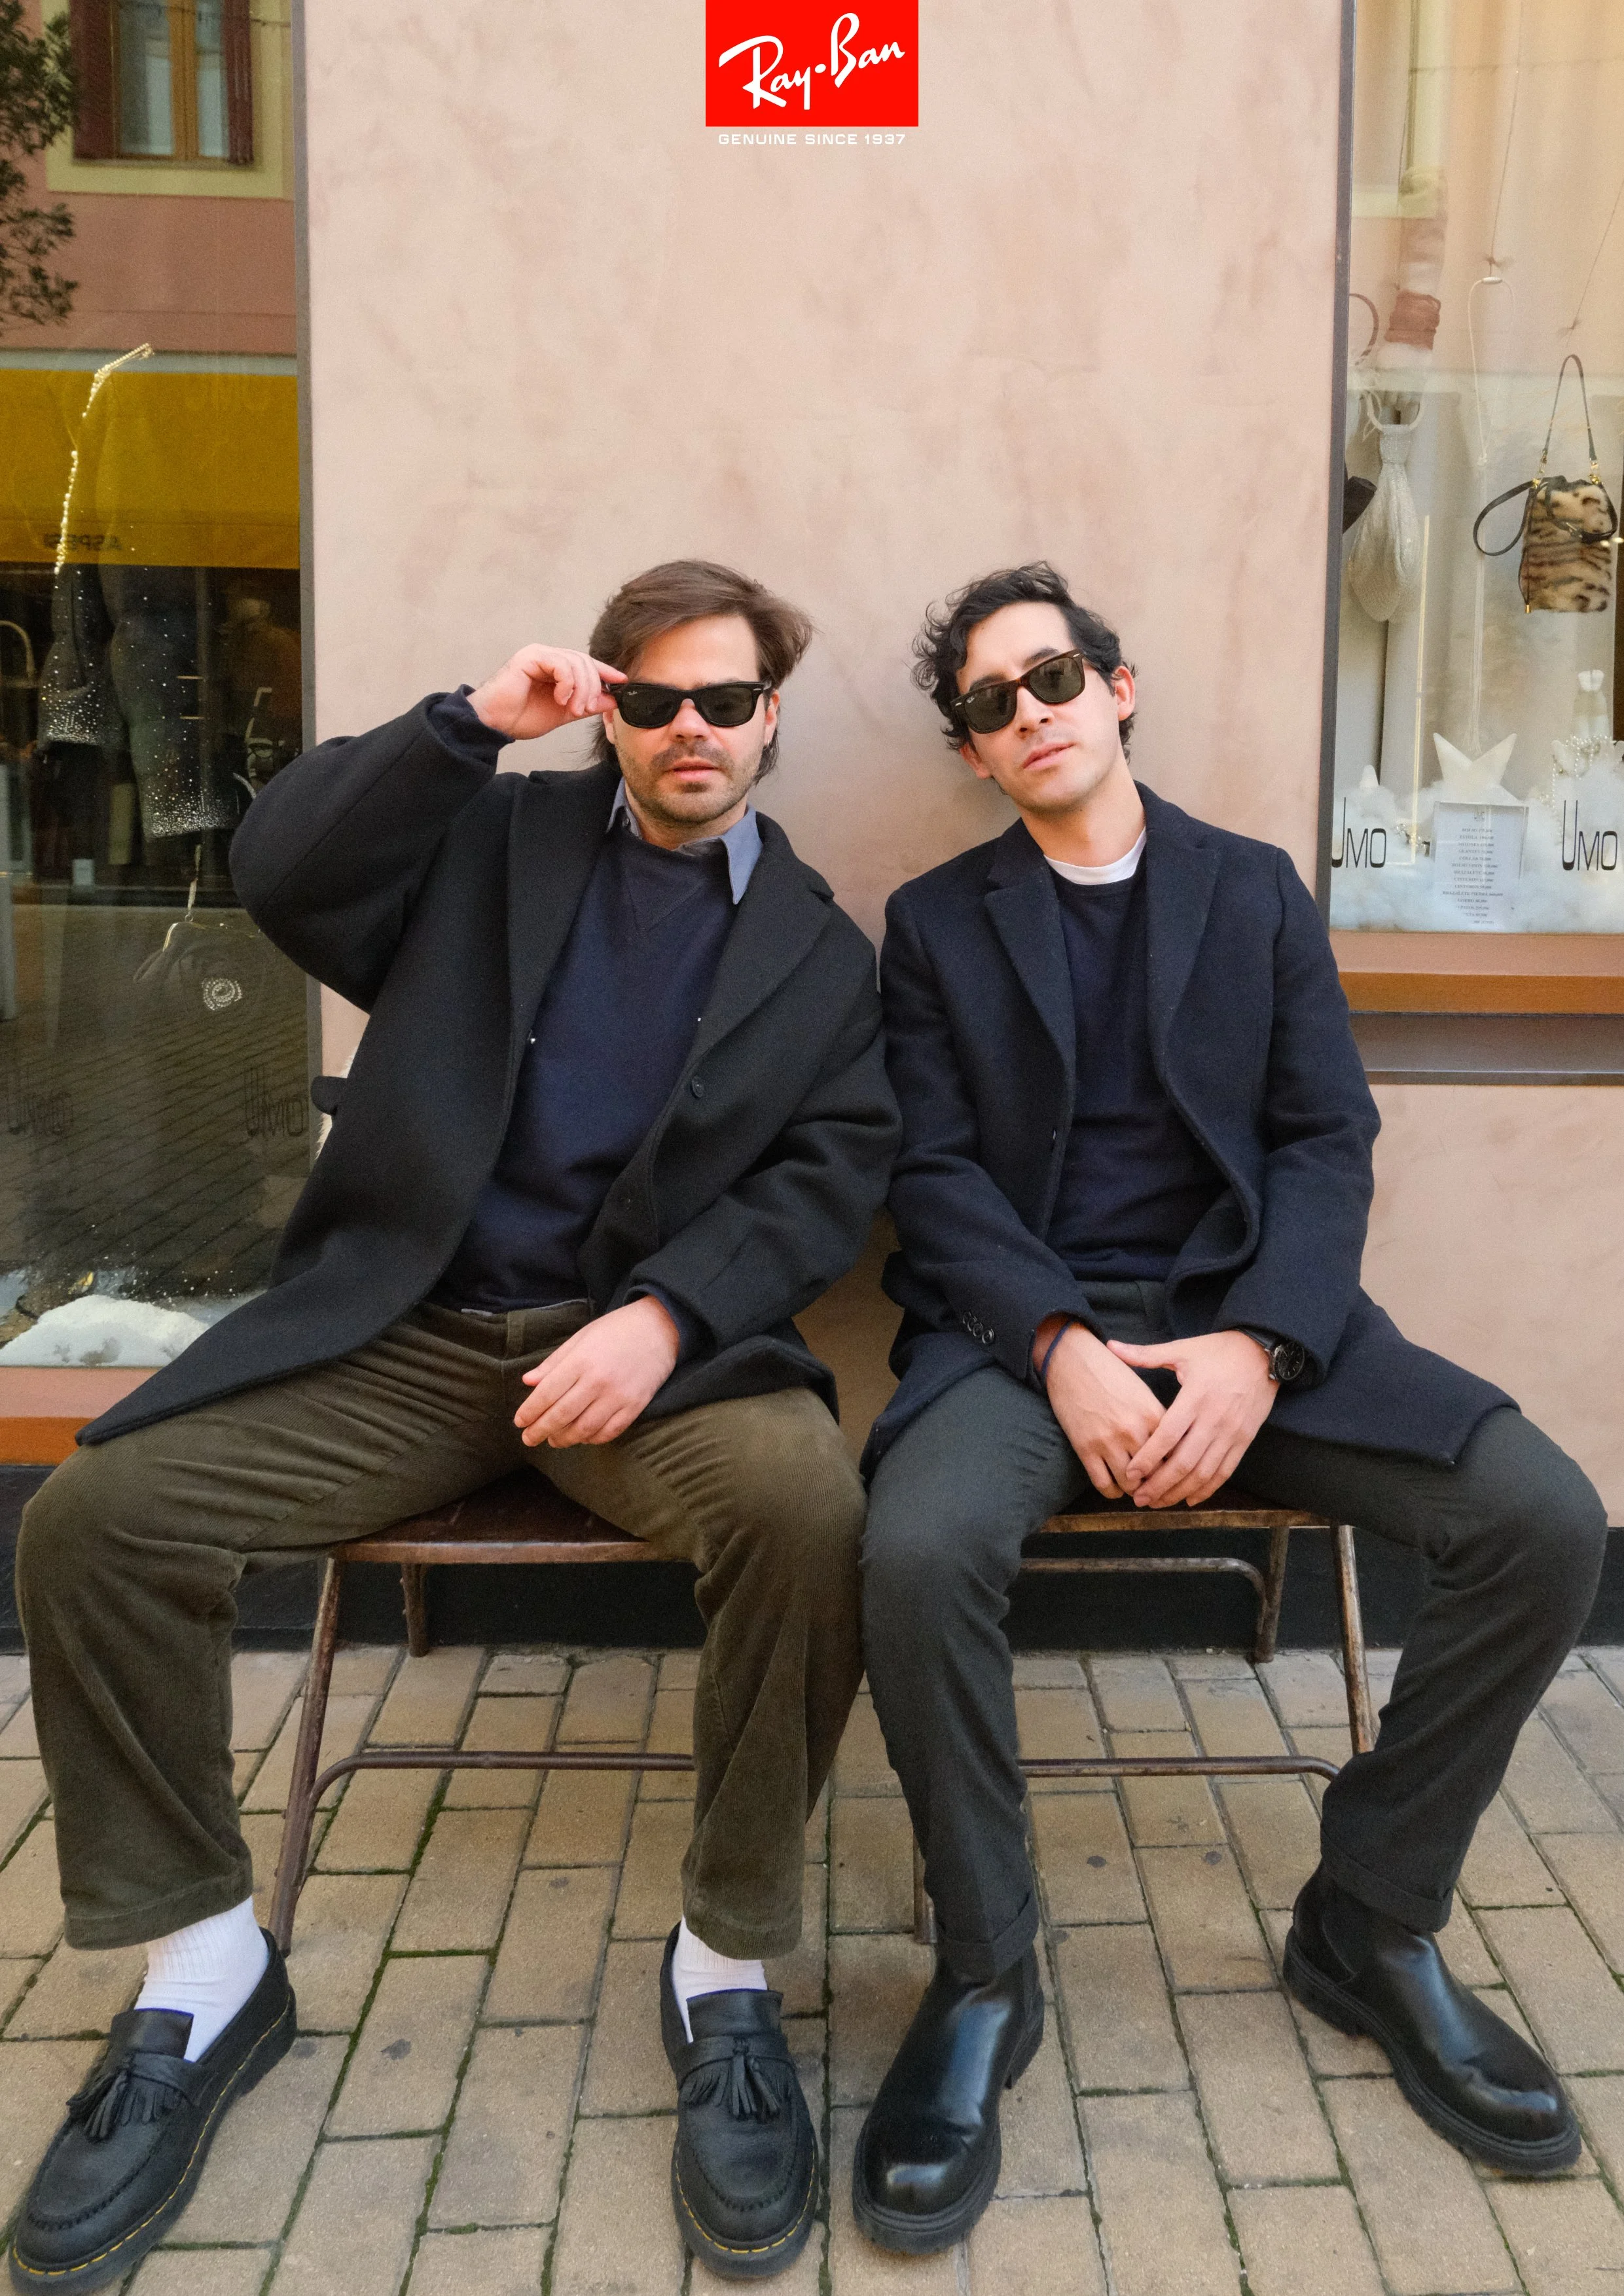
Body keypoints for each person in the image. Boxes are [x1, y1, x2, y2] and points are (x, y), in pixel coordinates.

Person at [11, 558, 899, 2289]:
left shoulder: (817, 949)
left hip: (641, 1365)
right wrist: (470, 724)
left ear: (772, 714)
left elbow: (833, 1172)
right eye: (653, 701)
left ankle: (723, 1964)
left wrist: (667, 1314)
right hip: (407, 1330)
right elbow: (279, 868)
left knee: (809, 1513)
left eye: (725, 699)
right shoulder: (494, 843)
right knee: (95, 1520)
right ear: (611, 714)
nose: (690, 730)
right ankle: (202, 1974)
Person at [852, 560, 1608, 2255]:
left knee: (1546, 1522)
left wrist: (1259, 1346)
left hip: (1259, 1328)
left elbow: (1325, 1137)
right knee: (913, 1550)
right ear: (976, 749)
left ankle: (1371, 1921)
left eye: (1052, 675)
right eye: (990, 700)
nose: (1028, 710)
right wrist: (1059, 1344)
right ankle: (986, 1963)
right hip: (1022, 1345)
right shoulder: (937, 925)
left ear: (1116, 687)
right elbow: (936, 1175)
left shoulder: (1254, 892)